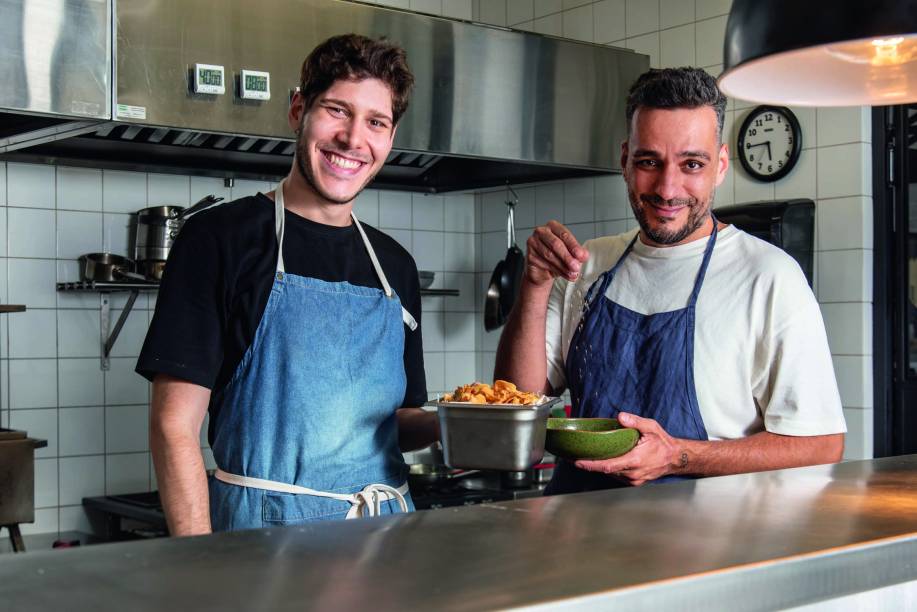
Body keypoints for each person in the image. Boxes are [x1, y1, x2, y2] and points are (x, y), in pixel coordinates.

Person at [137, 34, 439, 534]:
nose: (353, 139)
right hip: (263, 540)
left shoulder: (396, 266)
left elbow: (395, 423)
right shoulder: (218, 239)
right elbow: (174, 426)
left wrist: (460, 426)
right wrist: (196, 561)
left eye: (376, 122)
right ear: (299, 110)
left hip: (386, 539)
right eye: (337, 111)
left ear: (390, 136)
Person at [495, 67, 846, 494]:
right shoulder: (588, 263)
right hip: (577, 539)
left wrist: (678, 456)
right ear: (625, 159)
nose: (667, 188)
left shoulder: (769, 278)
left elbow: (821, 445)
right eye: (649, 162)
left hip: (707, 550)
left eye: (691, 164)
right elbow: (517, 400)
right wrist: (533, 285)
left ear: (719, 166)